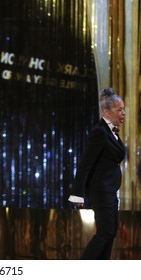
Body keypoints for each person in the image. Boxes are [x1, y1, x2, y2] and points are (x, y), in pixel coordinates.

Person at [68, 88, 126, 259]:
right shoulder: (100, 132)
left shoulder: (111, 131)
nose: (123, 113)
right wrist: (77, 194)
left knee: (111, 232)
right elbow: (86, 164)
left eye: (123, 109)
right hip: (101, 191)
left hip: (110, 190)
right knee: (105, 232)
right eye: (119, 110)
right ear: (106, 112)